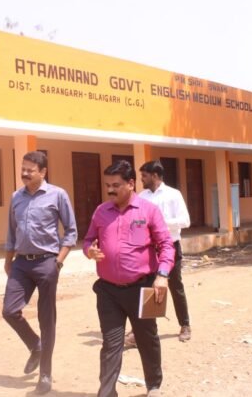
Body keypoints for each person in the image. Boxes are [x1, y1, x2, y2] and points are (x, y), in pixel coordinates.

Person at [83, 160, 174, 397]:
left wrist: (162, 275)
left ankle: (153, 386)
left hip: (142, 288)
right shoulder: (101, 212)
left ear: (131, 184)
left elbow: (166, 244)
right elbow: (88, 239)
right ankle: (107, 392)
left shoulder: (148, 210)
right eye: (107, 185)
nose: (110, 190)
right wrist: (89, 251)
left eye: (116, 185)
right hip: (108, 291)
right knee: (111, 343)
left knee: (147, 339)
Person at [3, 150, 78, 394]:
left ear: (43, 172)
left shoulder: (58, 195)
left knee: (47, 320)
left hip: (47, 263)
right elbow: (11, 232)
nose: (24, 173)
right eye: (23, 169)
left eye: (30, 170)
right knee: (9, 311)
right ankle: (35, 345)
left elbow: (71, 230)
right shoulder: (16, 197)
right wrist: (8, 260)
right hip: (21, 264)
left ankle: (45, 374)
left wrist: (59, 261)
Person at [128, 160, 192, 345]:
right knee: (147, 288)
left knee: (175, 287)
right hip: (149, 249)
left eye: (144, 176)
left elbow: (185, 221)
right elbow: (136, 221)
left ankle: (185, 325)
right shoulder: (141, 197)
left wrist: (159, 222)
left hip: (170, 247)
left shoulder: (173, 194)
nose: (141, 179)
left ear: (155, 175)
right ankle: (143, 332)